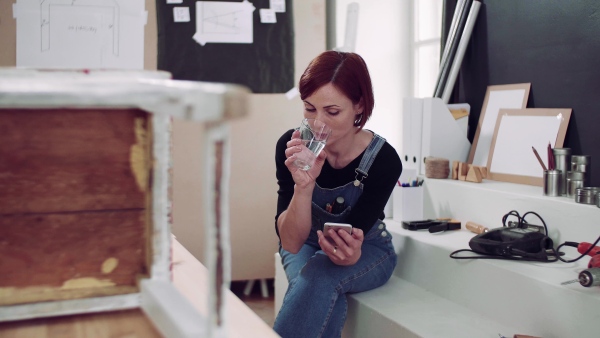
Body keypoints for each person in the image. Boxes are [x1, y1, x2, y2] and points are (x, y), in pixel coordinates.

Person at [273, 50, 402, 338]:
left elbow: (344, 250)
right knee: (316, 282)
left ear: (359, 106)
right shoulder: (292, 146)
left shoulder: (384, 160)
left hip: (366, 249)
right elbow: (291, 243)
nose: (318, 123)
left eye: (332, 112)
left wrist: (349, 255)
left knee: (317, 278)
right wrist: (303, 186)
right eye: (309, 108)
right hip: (306, 243)